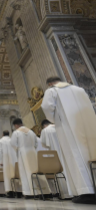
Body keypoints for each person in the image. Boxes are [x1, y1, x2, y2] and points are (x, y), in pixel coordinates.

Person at [41, 76, 96, 204]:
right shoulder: (79, 89)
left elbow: (46, 107)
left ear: (50, 84)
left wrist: (55, 120)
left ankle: (86, 192)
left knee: (75, 156)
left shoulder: (52, 91)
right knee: (91, 155)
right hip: (88, 127)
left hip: (68, 128)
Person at [10, 118, 51, 199]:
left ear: (16, 125)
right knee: (36, 172)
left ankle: (29, 192)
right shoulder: (31, 132)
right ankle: (43, 191)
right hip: (33, 153)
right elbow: (36, 143)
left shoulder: (16, 132)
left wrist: (19, 149)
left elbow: (13, 144)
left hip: (23, 154)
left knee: (25, 172)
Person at [40, 119, 72, 199]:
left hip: (54, 153)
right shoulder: (59, 126)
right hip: (66, 152)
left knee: (58, 172)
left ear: (44, 125)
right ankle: (73, 192)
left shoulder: (45, 130)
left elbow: (43, 143)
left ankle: (64, 193)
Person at [0, 130, 22, 198]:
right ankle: (18, 191)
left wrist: (0, 161)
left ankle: (10, 191)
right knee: (15, 174)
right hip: (14, 160)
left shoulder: (1, 141)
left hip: (6, 160)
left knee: (7, 175)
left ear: (2, 134)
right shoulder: (11, 140)